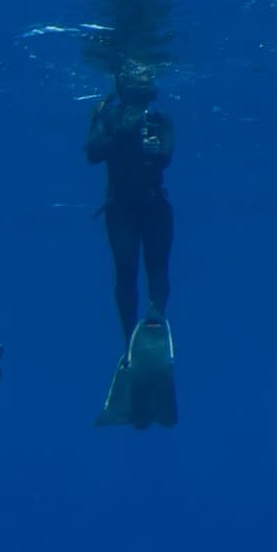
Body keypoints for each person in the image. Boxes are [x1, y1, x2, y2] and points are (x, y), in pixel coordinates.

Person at [87, 77, 179, 427]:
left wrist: (140, 139)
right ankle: (130, 341)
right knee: (125, 270)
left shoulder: (160, 120)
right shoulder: (106, 116)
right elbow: (93, 153)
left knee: (157, 267)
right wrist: (112, 128)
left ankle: (155, 318)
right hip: (120, 209)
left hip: (155, 206)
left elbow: (165, 155)